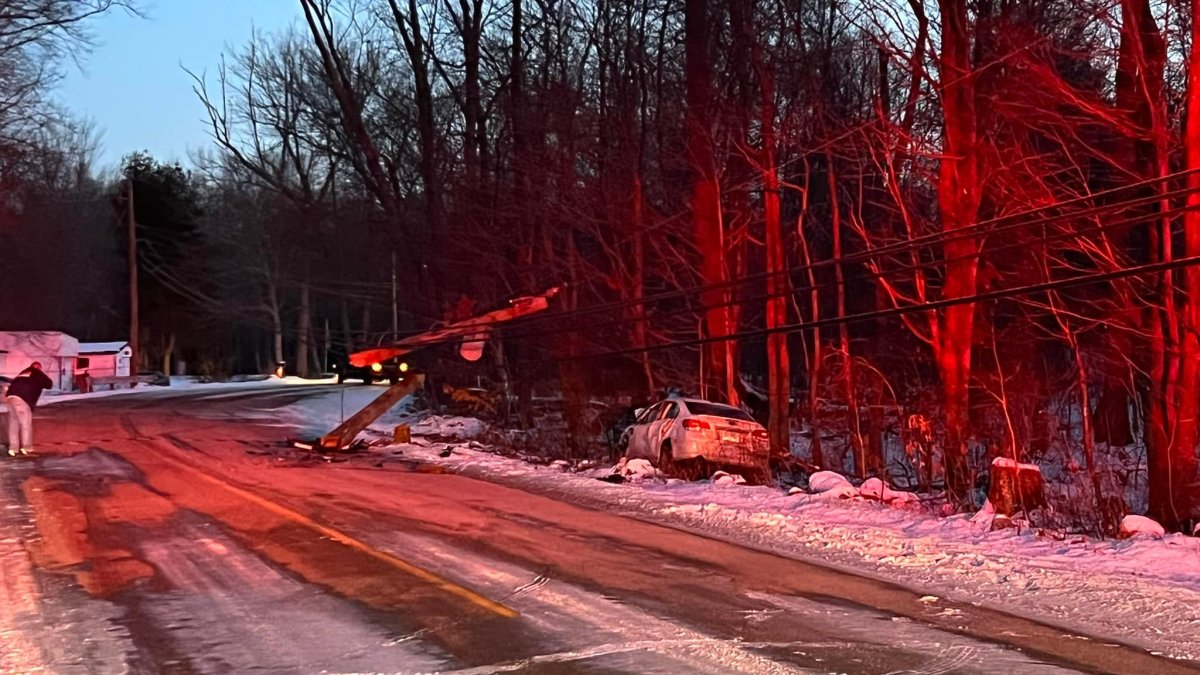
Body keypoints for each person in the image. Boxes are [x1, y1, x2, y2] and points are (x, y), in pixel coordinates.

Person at [5, 361, 52, 456]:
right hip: (22, 399)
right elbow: (49, 384)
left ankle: (13, 449)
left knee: (14, 424)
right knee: (25, 424)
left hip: (10, 397)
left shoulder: (23, 373)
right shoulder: (37, 372)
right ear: (38, 367)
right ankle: (27, 448)